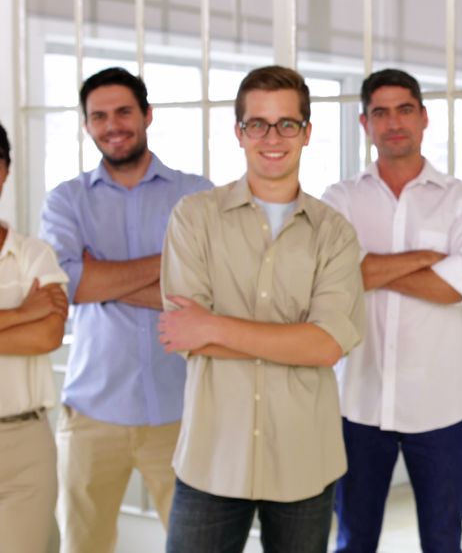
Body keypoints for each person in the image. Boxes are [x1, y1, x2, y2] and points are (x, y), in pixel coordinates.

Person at [158, 65, 365, 553]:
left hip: (303, 458)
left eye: (287, 124)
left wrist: (212, 326)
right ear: (239, 132)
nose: (272, 138)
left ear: (306, 132)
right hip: (212, 456)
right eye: (257, 124)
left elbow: (326, 346)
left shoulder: (335, 232)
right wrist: (291, 340)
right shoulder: (194, 218)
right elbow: (182, 335)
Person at [38, 67, 213, 553]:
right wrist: (168, 266)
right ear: (87, 125)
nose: (112, 125)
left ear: (147, 115)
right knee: (84, 546)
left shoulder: (196, 194)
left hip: (181, 409)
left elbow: (208, 291)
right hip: (93, 412)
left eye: (123, 112)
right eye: (99, 116)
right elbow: (71, 284)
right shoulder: (66, 201)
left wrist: (104, 276)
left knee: (196, 546)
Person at [322, 68, 462, 552]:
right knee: (353, 540)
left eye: (404, 110)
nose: (393, 122)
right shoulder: (339, 199)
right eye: (381, 112)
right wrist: (424, 259)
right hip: (358, 404)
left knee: (443, 542)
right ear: (365, 123)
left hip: (440, 409)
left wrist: (369, 267)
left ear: (424, 118)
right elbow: (332, 279)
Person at [0, 121, 68, 553]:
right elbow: (33, 324)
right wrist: (21, 313)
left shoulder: (32, 254)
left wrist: (34, 321)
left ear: (4, 171)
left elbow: (48, 336)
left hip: (23, 443)